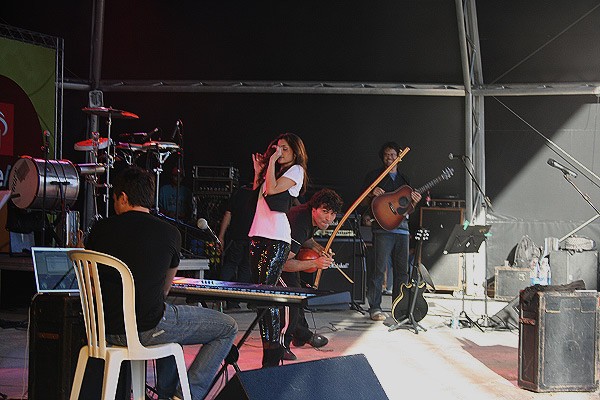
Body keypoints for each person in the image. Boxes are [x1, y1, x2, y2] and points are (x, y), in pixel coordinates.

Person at [85, 166, 238, 400]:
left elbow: (92, 280)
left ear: (123, 197)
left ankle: (168, 394)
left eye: (115, 200)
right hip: (147, 329)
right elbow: (165, 289)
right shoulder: (170, 233)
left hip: (102, 330)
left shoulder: (100, 229)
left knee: (169, 319)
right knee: (228, 327)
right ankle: (184, 396)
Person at [247, 132, 308, 367]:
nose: (279, 152)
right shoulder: (274, 172)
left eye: (284, 149)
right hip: (258, 234)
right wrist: (258, 172)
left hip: (276, 237)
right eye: (277, 147)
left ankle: (273, 353)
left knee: (268, 296)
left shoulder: (296, 171)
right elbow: (259, 194)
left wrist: (271, 162)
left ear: (295, 152)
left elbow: (272, 190)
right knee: (260, 298)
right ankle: (270, 350)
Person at [361, 142, 421, 322]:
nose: (390, 158)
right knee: (379, 269)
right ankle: (375, 307)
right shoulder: (374, 176)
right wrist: (371, 192)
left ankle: (399, 308)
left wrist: (415, 201)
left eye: (393, 155)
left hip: (402, 230)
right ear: (383, 157)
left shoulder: (405, 179)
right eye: (387, 155)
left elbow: (408, 208)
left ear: (399, 157)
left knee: (402, 271)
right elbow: (362, 202)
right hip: (382, 229)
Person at [280, 188, 343, 361]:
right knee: (290, 298)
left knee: (298, 295)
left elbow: (305, 239)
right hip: (271, 261)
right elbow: (283, 264)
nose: (328, 218)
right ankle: (281, 346)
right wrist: (315, 263)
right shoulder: (300, 222)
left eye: (332, 214)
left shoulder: (307, 218)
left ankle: (301, 335)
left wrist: (318, 248)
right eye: (325, 211)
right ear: (314, 208)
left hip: (284, 259)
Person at [217, 183, 255, 309]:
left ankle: (219, 294)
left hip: (236, 236)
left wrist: (221, 236)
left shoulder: (239, 192)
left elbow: (228, 214)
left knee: (231, 264)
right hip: (252, 237)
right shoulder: (261, 194)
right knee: (245, 268)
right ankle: (235, 301)